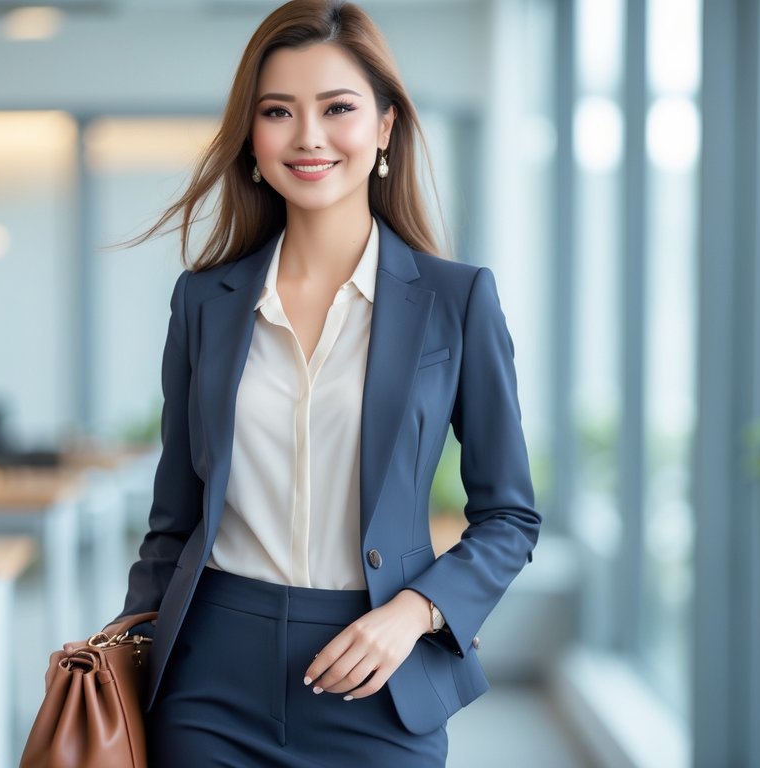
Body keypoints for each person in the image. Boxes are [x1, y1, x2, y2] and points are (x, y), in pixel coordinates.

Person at [104, 1, 540, 764]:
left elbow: (508, 515)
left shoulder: (456, 301)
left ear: (383, 128)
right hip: (209, 680)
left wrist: (416, 611)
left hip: (377, 675)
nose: (307, 135)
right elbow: (173, 520)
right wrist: (126, 644)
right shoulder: (203, 302)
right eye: (278, 111)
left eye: (336, 107)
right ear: (251, 137)